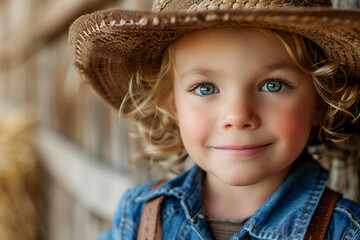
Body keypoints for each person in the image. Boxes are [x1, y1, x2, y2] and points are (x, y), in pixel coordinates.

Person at [68, 0, 360, 239]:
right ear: (172, 105)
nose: (238, 116)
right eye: (205, 88)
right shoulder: (141, 216)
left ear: (321, 101)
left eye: (273, 85)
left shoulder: (344, 232)